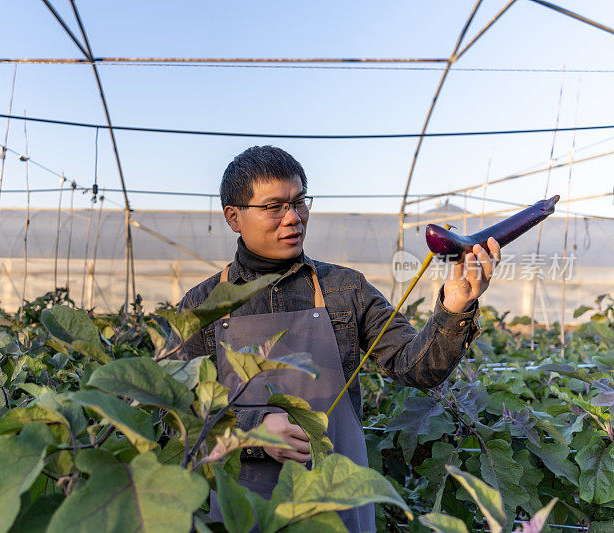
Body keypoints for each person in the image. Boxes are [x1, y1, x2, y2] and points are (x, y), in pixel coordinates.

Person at [177, 145, 500, 532]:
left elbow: (416, 368)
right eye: (274, 207)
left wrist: (455, 305)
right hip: (244, 506)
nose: (293, 218)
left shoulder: (344, 288)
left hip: (338, 500)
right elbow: (175, 416)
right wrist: (254, 431)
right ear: (233, 216)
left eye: (300, 203)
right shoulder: (203, 304)